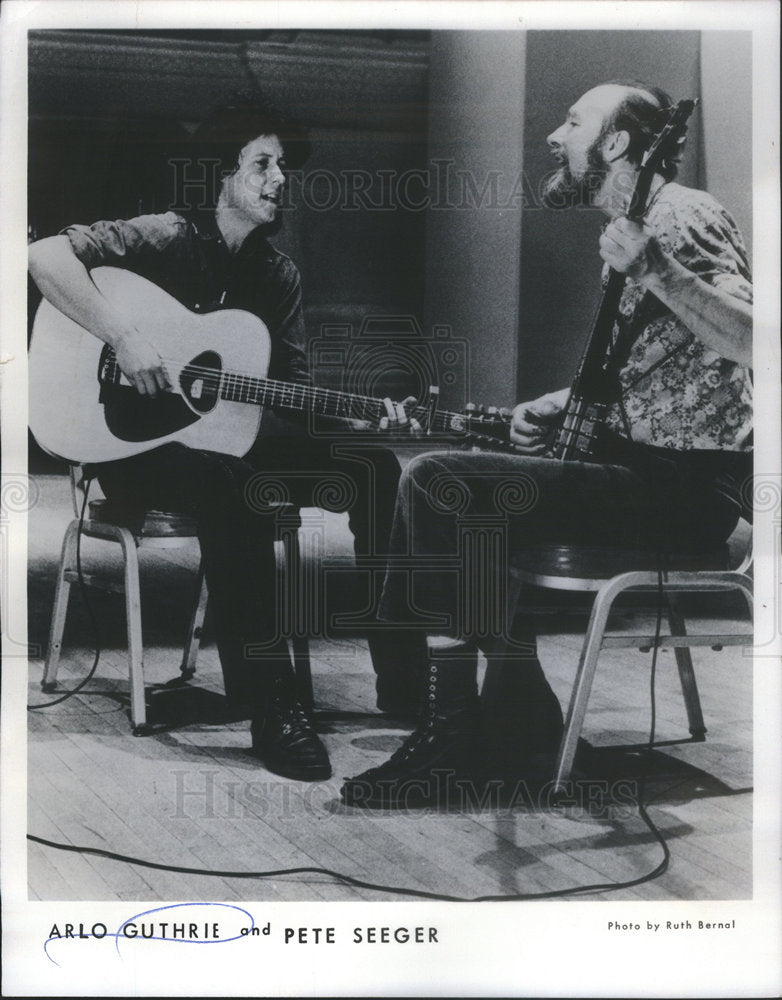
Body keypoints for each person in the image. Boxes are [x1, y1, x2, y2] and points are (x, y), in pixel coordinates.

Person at [340, 80, 753, 808]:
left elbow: (754, 341)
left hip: (684, 494)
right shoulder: (638, 224)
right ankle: (513, 716)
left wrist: (655, 267)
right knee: (471, 496)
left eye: (572, 122)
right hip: (640, 472)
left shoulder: (680, 216)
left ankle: (450, 732)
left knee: (437, 480)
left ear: (617, 143)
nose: (553, 138)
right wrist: (561, 406)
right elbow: (659, 367)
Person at [28, 102, 429, 783]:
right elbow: (43, 256)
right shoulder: (162, 236)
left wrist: (361, 418)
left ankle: (405, 681)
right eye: (262, 164)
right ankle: (272, 705)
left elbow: (292, 398)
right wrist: (124, 338)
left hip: (225, 444)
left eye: (284, 169)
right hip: (130, 447)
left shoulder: (277, 276)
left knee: (372, 468)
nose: (279, 180)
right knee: (231, 483)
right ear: (223, 174)